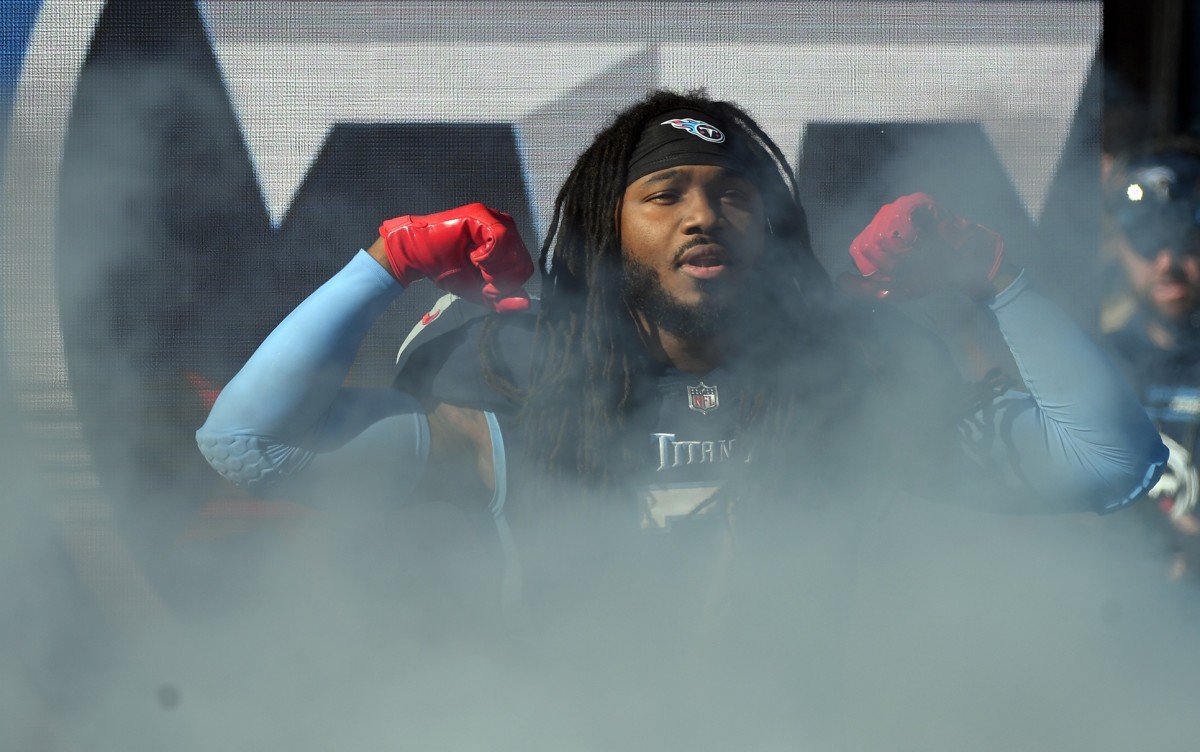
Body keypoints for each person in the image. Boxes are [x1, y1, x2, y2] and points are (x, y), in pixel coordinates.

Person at [196, 89, 1166, 746]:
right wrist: (389, 260)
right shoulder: (522, 400)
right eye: (664, 194)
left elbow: (1109, 461)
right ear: (608, 231)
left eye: (733, 193)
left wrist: (993, 272)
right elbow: (247, 440)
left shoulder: (845, 399)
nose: (704, 214)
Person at [1101, 138, 1200, 581]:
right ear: (1115, 243)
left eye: (1184, 237)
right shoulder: (1090, 363)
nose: (1167, 262)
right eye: (1146, 239)